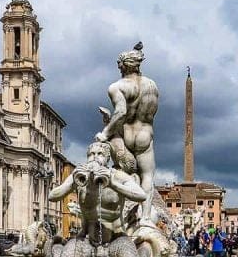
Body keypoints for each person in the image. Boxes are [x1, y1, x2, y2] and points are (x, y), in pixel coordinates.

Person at [95, 43, 159, 225]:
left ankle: (119, 219)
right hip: (145, 134)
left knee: (119, 173)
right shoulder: (152, 86)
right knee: (147, 176)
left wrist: (105, 133)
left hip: (126, 134)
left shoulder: (117, 86)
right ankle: (145, 219)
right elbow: (151, 113)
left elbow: (121, 112)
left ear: (122, 66)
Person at [48, 142, 147, 257]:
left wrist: (113, 184)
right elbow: (52, 196)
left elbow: (141, 195)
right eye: (91, 154)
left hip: (116, 239)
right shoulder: (79, 176)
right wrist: (72, 184)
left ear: (107, 158)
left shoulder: (118, 176)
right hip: (86, 239)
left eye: (100, 154)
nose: (95, 157)